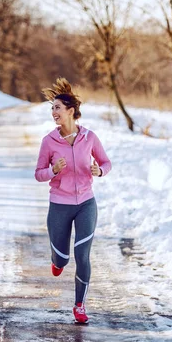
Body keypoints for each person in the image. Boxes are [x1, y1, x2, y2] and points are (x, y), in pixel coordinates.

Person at [35, 78, 112, 324]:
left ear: (71, 111)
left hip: (86, 204)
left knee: (82, 255)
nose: (53, 112)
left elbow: (106, 163)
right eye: (52, 108)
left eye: (57, 107)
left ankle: (79, 305)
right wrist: (53, 171)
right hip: (59, 204)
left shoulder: (89, 137)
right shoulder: (49, 141)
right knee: (62, 259)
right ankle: (57, 261)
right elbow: (38, 173)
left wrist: (99, 171)